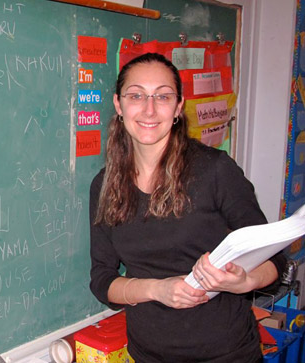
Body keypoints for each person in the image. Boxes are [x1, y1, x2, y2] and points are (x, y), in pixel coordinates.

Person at [89, 52, 287, 363]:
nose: (149, 109)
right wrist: (158, 289)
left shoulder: (215, 170)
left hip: (227, 354)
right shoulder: (105, 185)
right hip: (147, 354)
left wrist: (243, 281)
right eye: (136, 95)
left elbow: (274, 258)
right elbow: (103, 280)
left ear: (178, 107)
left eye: (163, 96)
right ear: (118, 104)